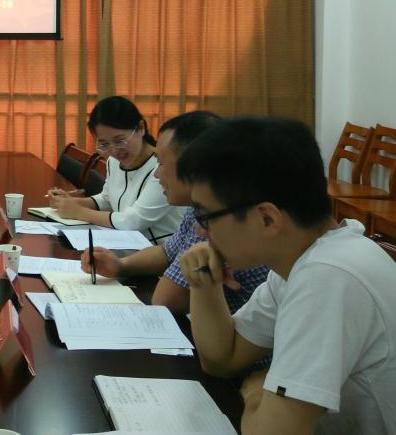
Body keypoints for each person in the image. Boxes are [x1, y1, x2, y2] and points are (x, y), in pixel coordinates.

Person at [177, 117, 396, 434]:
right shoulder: (300, 261)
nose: (200, 230)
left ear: (267, 219)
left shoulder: (328, 276)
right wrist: (204, 283)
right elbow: (223, 358)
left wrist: (257, 389)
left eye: (205, 216)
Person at [81, 111, 270, 314]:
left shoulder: (218, 217)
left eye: (161, 163)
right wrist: (121, 265)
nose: (156, 173)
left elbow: (165, 301)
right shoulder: (196, 208)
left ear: (194, 168)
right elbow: (166, 252)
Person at [48, 96, 184, 242]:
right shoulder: (113, 162)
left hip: (160, 250)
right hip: (126, 244)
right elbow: (107, 199)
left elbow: (134, 221)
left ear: (141, 128)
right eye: (105, 144)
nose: (114, 151)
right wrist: (71, 202)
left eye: (120, 140)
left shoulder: (162, 169)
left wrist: (79, 212)